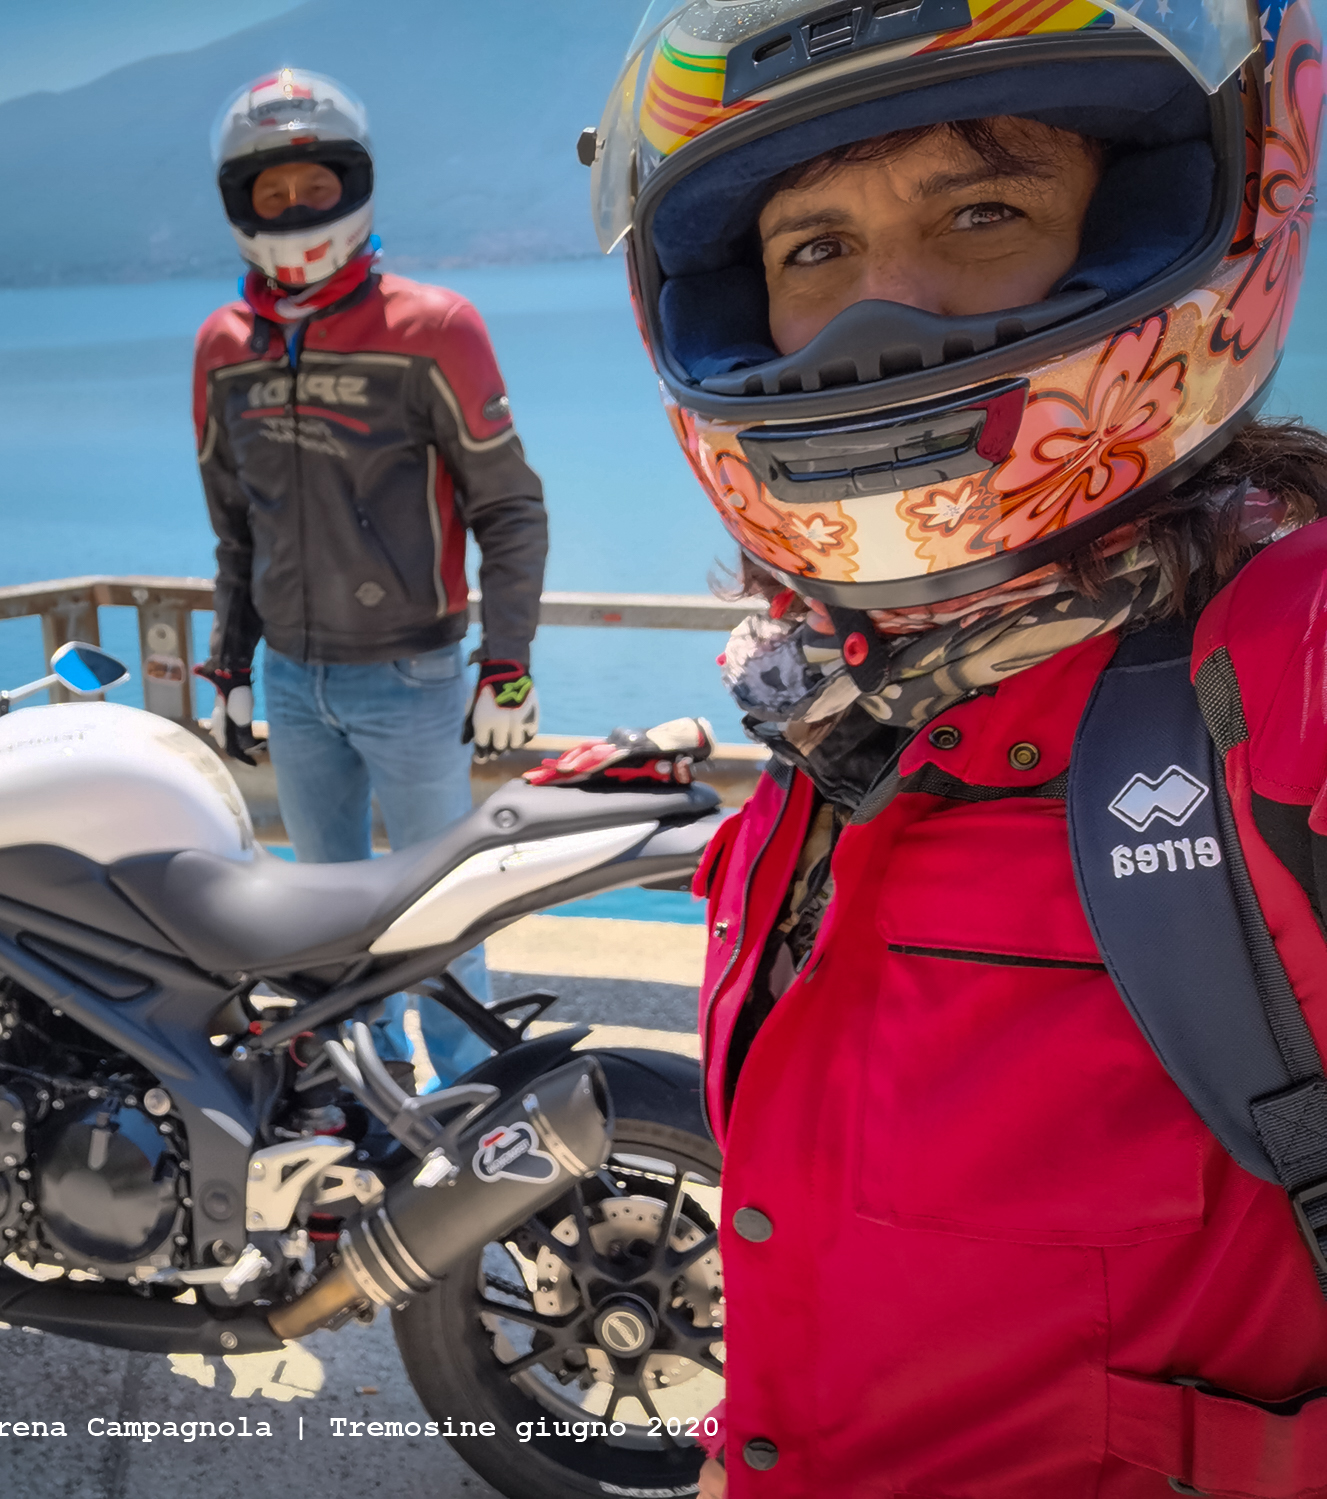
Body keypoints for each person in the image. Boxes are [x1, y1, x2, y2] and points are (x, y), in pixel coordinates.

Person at [561, 0, 1327, 1489]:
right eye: (811, 249)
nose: (882, 313)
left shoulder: (1279, 672)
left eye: (982, 211)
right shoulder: (832, 711)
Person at [192, 69, 549, 1086]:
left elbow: (510, 508)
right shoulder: (223, 349)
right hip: (292, 682)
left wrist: (507, 665)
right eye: (271, 193)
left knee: (442, 912)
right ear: (240, 204)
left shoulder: (434, 327)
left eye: (314, 186)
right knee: (324, 915)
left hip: (413, 680)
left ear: (353, 184)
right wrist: (228, 668)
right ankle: (371, 1099)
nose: (294, 208)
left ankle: (478, 1104)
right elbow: (233, 530)